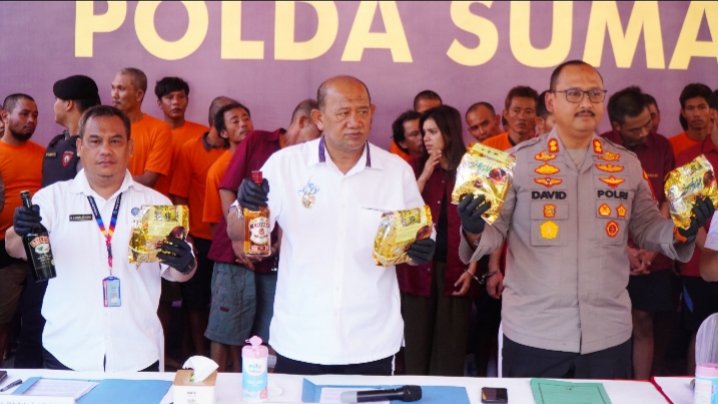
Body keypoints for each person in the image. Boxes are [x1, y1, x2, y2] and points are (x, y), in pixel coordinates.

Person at [457, 60, 713, 379]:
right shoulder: (516, 163)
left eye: (594, 94)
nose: (585, 103)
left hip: (607, 336)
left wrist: (682, 231)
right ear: (551, 101)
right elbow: (493, 233)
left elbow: (648, 227)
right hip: (534, 333)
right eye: (574, 93)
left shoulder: (625, 164)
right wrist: (473, 229)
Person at [228, 75, 435, 375]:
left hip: (371, 340)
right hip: (301, 337)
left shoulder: (395, 171)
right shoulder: (286, 165)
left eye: (362, 111)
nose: (355, 122)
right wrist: (246, 206)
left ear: (372, 113)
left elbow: (419, 241)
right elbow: (236, 231)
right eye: (343, 113)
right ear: (319, 118)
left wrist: (420, 250)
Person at [5, 105, 196, 372]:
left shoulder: (155, 204)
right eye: (95, 141)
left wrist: (186, 264)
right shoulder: (52, 199)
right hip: (68, 350)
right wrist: (19, 229)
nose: (105, 150)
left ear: (130, 147)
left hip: (138, 352)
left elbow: (177, 272)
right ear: (80, 147)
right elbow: (16, 249)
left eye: (115, 141)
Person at [219, 99, 320, 353]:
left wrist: (278, 245)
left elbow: (295, 208)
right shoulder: (258, 141)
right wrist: (237, 240)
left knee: (269, 333)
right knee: (226, 329)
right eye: (318, 136)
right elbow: (227, 189)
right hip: (236, 254)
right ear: (303, 121)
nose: (319, 144)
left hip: (274, 258)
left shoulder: (312, 162)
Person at [14, 75, 101, 369]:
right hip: (42, 249)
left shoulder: (88, 151)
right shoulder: (56, 143)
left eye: (56, 100)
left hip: (74, 253)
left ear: (68, 104)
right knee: (33, 321)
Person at [601, 86, 676, 380]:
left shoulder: (662, 146)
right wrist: (624, 250)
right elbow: (593, 209)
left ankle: (641, 389)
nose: (645, 132)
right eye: (635, 128)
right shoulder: (600, 148)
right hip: (609, 255)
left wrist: (652, 249)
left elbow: (668, 200)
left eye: (648, 123)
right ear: (617, 125)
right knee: (609, 325)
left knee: (644, 322)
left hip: (652, 255)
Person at [396, 105, 474, 376]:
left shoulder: (471, 169)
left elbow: (486, 226)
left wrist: (472, 270)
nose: (425, 139)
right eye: (423, 133)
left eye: (432, 132)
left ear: (449, 133)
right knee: (415, 345)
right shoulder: (413, 167)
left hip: (456, 270)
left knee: (450, 348)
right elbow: (402, 213)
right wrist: (424, 176)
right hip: (417, 271)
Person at [169, 96, 234, 358]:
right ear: (216, 123)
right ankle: (199, 353)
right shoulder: (189, 150)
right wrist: (186, 237)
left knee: (225, 300)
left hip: (229, 240)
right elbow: (179, 196)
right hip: (199, 237)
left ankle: (223, 356)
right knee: (195, 301)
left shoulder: (238, 152)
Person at [203, 101, 254, 372]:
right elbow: (215, 223)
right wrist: (231, 249)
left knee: (247, 328)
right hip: (228, 258)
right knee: (222, 328)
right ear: (223, 133)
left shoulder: (264, 162)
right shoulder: (219, 169)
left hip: (258, 256)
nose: (243, 124)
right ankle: (217, 380)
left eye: (246, 118)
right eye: (235, 121)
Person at [0, 93, 44, 361]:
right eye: (25, 114)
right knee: (2, 319)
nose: (31, 120)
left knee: (39, 315)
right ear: (4, 116)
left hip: (40, 245)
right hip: (4, 246)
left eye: (35, 115)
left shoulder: (45, 154)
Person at [678, 89, 718, 375]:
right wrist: (712, 250)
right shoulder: (693, 160)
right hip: (701, 265)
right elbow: (685, 217)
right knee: (703, 332)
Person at [111, 67, 172, 190]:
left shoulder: (160, 129)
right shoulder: (106, 127)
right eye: (113, 88)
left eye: (121, 89)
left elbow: (149, 180)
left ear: (139, 95)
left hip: (148, 201)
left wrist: (105, 180)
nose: (115, 95)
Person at [153, 76, 208, 196]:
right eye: (169, 97)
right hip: (158, 202)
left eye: (181, 97)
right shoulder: (153, 133)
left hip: (192, 202)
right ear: (159, 103)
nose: (176, 102)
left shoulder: (204, 134)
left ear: (187, 101)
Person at [389, 90, 443, 161]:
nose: (430, 118)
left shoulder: (448, 136)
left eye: (436, 113)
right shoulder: (398, 146)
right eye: (425, 114)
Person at [483, 86, 538, 150]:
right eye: (516, 111)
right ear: (506, 114)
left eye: (528, 112)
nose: (521, 117)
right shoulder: (487, 147)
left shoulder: (543, 148)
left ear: (537, 117)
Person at [669, 83, 712, 159]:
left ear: (711, 110)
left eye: (702, 107)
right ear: (683, 112)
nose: (696, 114)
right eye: (690, 108)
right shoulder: (670, 146)